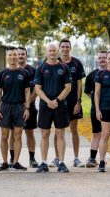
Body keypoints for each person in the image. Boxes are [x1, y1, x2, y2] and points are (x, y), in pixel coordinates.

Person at [34, 43, 72, 173]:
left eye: (54, 50)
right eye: (50, 50)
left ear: (58, 52)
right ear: (46, 52)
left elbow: (68, 87)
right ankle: (43, 162)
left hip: (60, 105)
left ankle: (61, 162)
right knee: (44, 134)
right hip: (45, 106)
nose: (52, 53)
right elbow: (37, 89)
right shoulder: (41, 68)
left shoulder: (64, 67)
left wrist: (56, 100)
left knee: (60, 133)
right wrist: (48, 101)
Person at [50, 38, 85, 168]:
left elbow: (79, 83)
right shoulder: (54, 62)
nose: (65, 49)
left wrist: (78, 102)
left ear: (70, 48)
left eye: (67, 47)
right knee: (58, 131)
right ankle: (57, 158)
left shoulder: (77, 63)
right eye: (63, 47)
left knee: (74, 129)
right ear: (59, 48)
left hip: (72, 102)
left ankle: (76, 158)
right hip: (58, 102)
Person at [0, 46, 30, 172]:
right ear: (6, 56)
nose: (13, 57)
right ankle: (4, 162)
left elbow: (27, 91)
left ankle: (15, 162)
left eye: (15, 55)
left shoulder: (24, 73)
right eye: (10, 55)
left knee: (18, 135)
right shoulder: (2, 74)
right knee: (4, 136)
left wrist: (27, 108)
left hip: (19, 106)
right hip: (5, 106)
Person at [84, 51, 110, 167]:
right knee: (97, 134)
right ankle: (92, 159)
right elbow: (88, 92)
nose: (102, 60)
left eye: (105, 57)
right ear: (97, 59)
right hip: (97, 109)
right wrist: (97, 102)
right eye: (100, 58)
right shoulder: (92, 75)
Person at [8, 47, 39, 168]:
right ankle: (12, 159)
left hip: (28, 107)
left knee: (29, 133)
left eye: (22, 54)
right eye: (18, 54)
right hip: (13, 107)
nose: (20, 56)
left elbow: (36, 89)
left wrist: (26, 104)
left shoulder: (32, 70)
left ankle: (32, 159)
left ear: (26, 55)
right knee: (13, 134)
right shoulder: (9, 70)